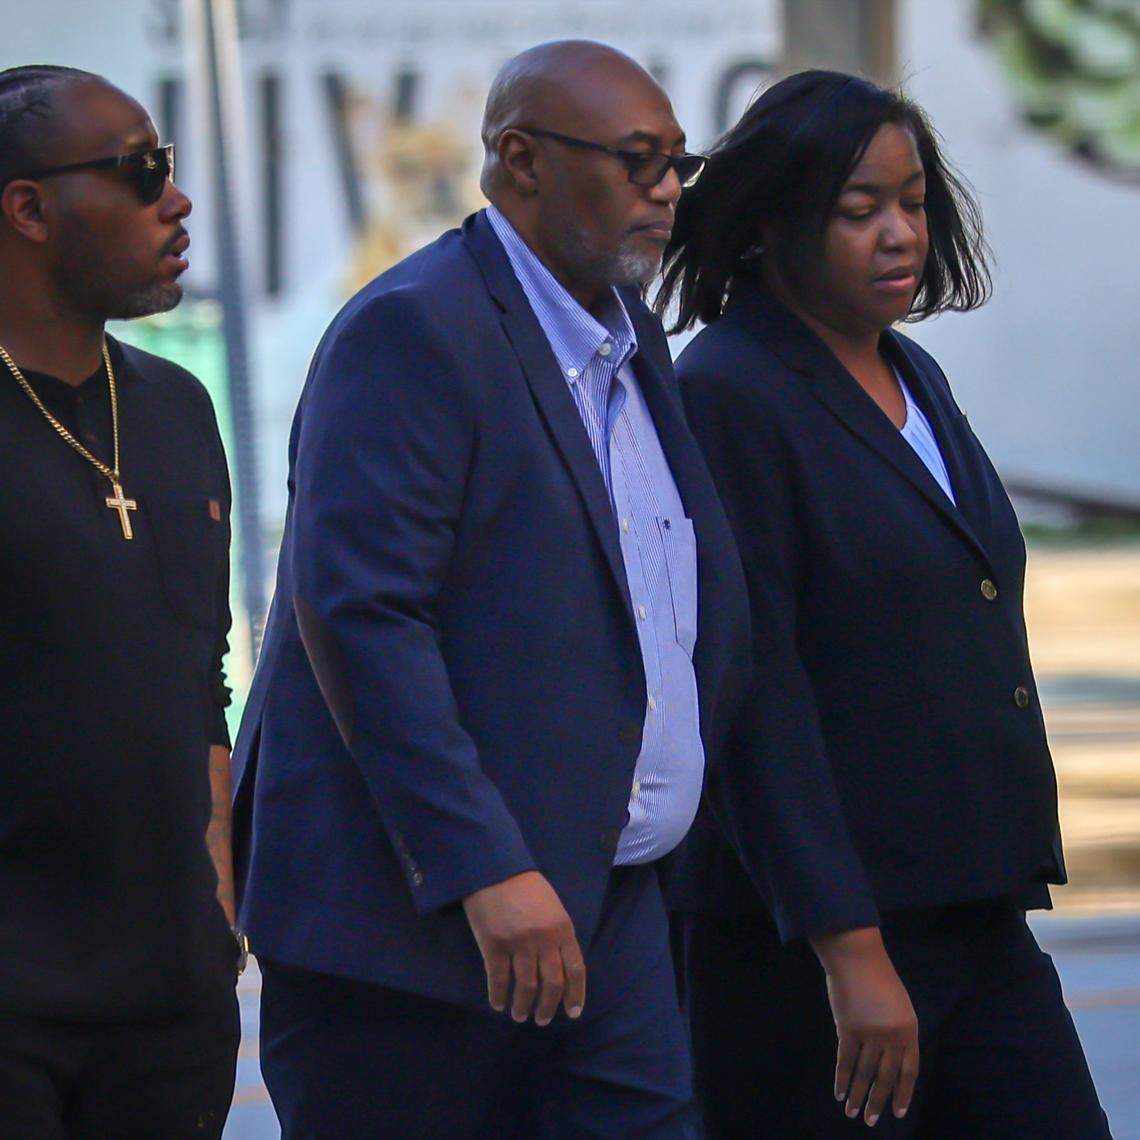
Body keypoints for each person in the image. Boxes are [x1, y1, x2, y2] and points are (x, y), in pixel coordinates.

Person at [230, 39, 749, 1138]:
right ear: (521, 159)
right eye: (639, 161)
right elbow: (363, 615)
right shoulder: (415, 328)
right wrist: (484, 867)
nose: (667, 191)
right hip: (423, 928)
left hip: (609, 906)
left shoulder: (628, 331)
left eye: (678, 166)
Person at [657, 70, 1112, 1139]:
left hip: (974, 910)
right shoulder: (729, 391)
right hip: (813, 943)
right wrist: (848, 949)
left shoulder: (910, 372)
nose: (899, 233)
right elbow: (752, 686)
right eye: (859, 211)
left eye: (912, 201)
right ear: (769, 227)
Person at [0, 66, 241, 1137]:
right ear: (29, 208)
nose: (176, 202)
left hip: (175, 1008)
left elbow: (203, 688)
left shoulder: (177, 404)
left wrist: (219, 926)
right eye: (144, 173)